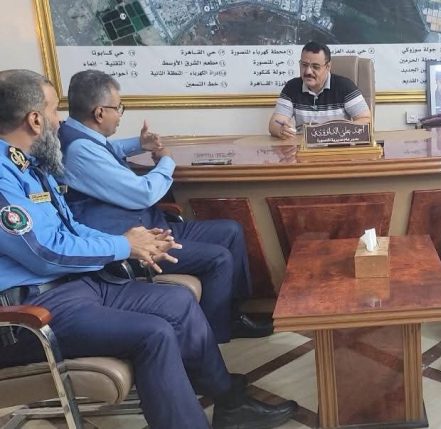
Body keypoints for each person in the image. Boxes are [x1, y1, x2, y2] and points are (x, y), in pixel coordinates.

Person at [0, 69, 298, 429]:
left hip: (76, 284)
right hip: (33, 311)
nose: (59, 121)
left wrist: (133, 243)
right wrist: (122, 245)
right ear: (34, 120)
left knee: (178, 302)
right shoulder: (4, 177)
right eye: (52, 111)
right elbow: (45, 252)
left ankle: (229, 404)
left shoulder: (32, 165)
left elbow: (72, 226)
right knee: (153, 333)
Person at [57, 69, 269, 344]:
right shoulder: (79, 150)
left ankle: (232, 314)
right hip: (135, 242)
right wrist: (167, 162)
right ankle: (213, 337)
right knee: (219, 258)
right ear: (99, 113)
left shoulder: (80, 137)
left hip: (151, 225)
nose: (120, 115)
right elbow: (143, 193)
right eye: (118, 108)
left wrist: (139, 144)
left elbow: (108, 149)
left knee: (230, 231)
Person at [269, 41, 372, 139]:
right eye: (304, 65)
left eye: (315, 67)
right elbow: (275, 123)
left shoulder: (345, 86)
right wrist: (281, 129)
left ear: (328, 67)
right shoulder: (292, 87)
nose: (308, 71)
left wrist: (336, 134)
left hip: (336, 146)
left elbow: (366, 120)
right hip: (303, 147)